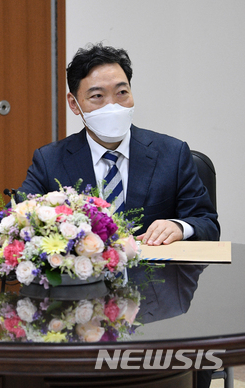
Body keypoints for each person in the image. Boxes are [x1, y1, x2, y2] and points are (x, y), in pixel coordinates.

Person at [17, 43, 219, 388]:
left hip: (158, 309)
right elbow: (24, 227)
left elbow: (206, 223)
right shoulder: (50, 160)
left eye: (122, 93)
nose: (113, 105)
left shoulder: (172, 153)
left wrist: (180, 226)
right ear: (74, 104)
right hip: (76, 311)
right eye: (97, 96)